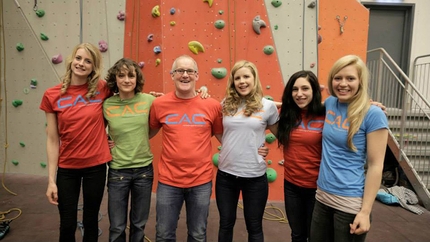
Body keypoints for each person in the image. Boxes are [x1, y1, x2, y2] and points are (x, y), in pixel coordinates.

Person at [310, 55, 388, 242]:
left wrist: (365, 211)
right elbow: (301, 108)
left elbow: (376, 166)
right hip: (322, 197)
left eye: (350, 78)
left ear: (360, 81)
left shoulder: (373, 114)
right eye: (338, 78)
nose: (343, 83)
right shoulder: (330, 103)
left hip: (349, 204)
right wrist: (262, 105)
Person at [40, 42, 112, 242]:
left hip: (96, 167)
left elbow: (128, 98)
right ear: (72, 60)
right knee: (67, 224)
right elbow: (53, 140)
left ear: (94, 67)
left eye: (88, 61)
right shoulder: (52, 95)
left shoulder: (103, 89)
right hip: (67, 169)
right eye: (79, 58)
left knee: (91, 222)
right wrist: (51, 180)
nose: (81, 64)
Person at [149, 55, 223, 242]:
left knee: (197, 235)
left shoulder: (212, 105)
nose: (185, 75)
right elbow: (147, 133)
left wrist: (255, 148)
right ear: (172, 75)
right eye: (180, 71)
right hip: (168, 181)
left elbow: (225, 138)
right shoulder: (159, 104)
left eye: (189, 71)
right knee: (164, 235)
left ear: (197, 76)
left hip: (201, 181)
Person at [216, 60, 279, 242]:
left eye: (246, 77)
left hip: (255, 177)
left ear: (254, 79)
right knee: (226, 223)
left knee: (254, 226)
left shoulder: (267, 106)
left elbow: (282, 134)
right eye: (237, 78)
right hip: (226, 176)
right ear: (233, 82)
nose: (242, 81)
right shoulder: (226, 104)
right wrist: (239, 145)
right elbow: (222, 132)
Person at [103, 58, 157, 242]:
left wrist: (202, 91)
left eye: (131, 75)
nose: (127, 80)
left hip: (144, 171)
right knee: (117, 227)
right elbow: (91, 128)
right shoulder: (107, 104)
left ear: (137, 79)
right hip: (118, 171)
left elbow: (176, 103)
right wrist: (104, 141)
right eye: (121, 75)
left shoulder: (149, 100)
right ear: (115, 79)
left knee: (138, 226)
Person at [276, 70, 325, 242]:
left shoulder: (326, 113)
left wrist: (371, 105)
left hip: (318, 187)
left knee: (316, 236)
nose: (299, 94)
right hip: (292, 185)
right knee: (297, 234)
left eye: (305, 89)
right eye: (295, 89)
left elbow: (351, 107)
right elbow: (258, 106)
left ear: (314, 91)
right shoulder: (286, 113)